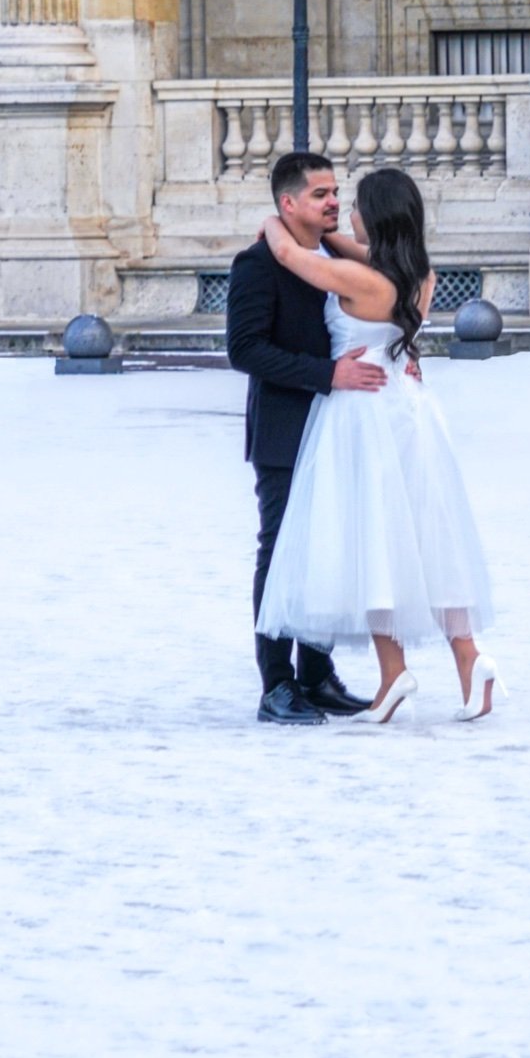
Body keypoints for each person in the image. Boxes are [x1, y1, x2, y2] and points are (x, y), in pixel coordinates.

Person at [256, 165, 499, 723]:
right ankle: (468, 659)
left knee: (372, 542)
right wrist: (323, 232)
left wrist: (276, 222)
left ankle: (395, 671)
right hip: (410, 415)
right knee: (426, 540)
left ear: (378, 218)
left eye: (357, 205)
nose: (348, 212)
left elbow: (294, 258)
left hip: (363, 417)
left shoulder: (359, 280)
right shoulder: (418, 275)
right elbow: (346, 247)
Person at [226, 153, 384, 725]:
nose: (334, 201)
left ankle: (316, 676)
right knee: (281, 555)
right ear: (288, 203)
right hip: (287, 432)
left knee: (327, 552)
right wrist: (327, 374)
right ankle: (277, 685)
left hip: (339, 431)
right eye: (320, 194)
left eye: (335, 191)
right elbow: (244, 349)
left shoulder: (332, 255)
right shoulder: (257, 265)